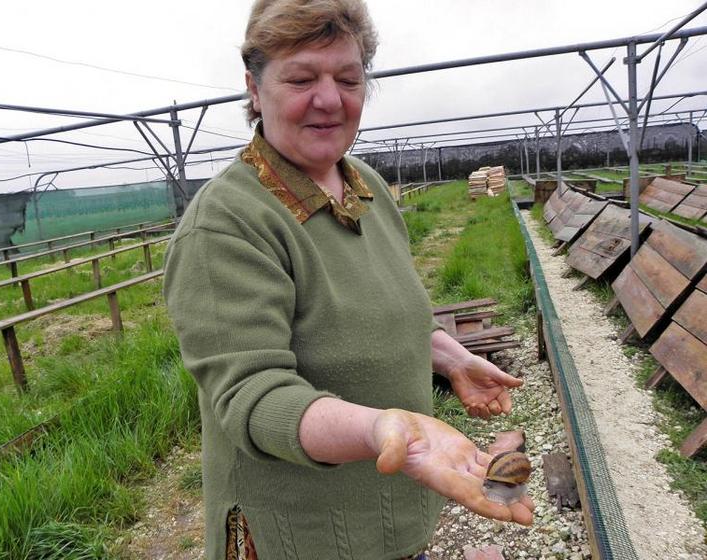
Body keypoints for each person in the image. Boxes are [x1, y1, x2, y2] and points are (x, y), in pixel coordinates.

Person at [163, 1, 534, 558]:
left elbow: (375, 314)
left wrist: (448, 357)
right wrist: (378, 431)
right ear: (254, 89)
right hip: (301, 536)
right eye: (301, 77)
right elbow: (254, 398)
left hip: (394, 515)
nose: (330, 99)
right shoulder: (227, 223)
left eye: (348, 78)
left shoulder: (369, 189)